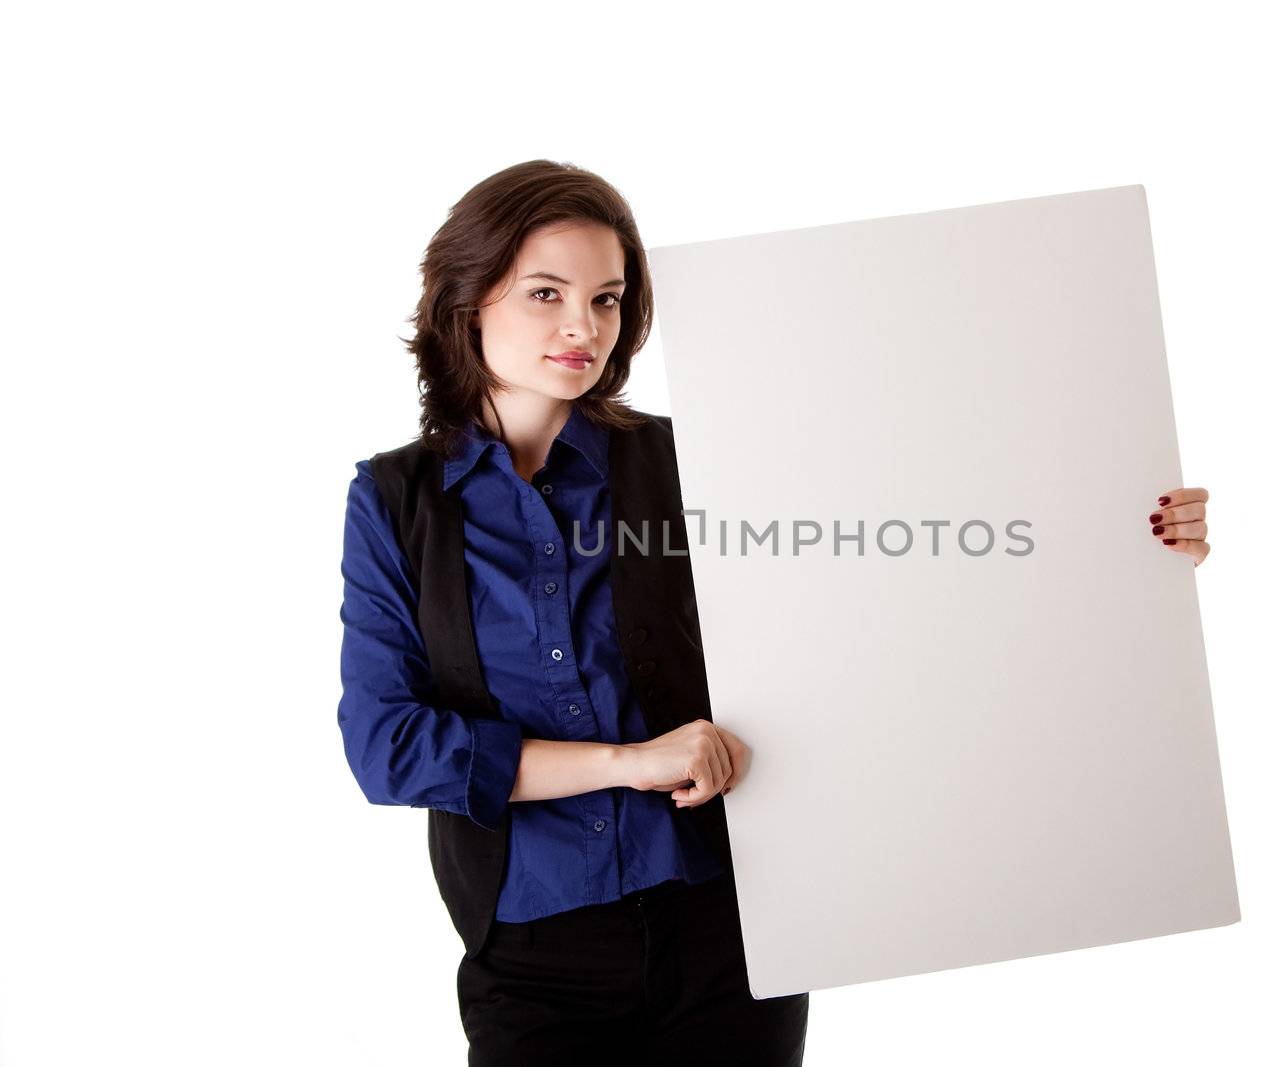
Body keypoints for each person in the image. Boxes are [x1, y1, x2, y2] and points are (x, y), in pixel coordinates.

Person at [337, 160, 1212, 1064]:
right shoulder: (396, 502)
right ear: (465, 300)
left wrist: (1120, 534)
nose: (582, 327)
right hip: (531, 954)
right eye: (546, 293)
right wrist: (630, 761)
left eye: (607, 299)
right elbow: (387, 745)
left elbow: (898, 562)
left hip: (731, 926)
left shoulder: (693, 462)